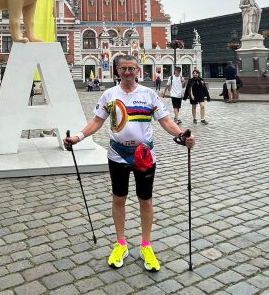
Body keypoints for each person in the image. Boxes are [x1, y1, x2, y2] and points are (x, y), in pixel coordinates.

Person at [63, 55, 195, 272]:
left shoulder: (149, 94)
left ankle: (146, 245)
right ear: (117, 70)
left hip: (144, 157)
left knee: (146, 201)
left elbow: (165, 121)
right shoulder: (109, 95)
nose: (127, 72)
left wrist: (182, 135)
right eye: (123, 68)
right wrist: (77, 137)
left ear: (137, 70)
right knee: (118, 199)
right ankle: (121, 243)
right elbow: (96, 121)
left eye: (131, 68)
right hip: (118, 155)